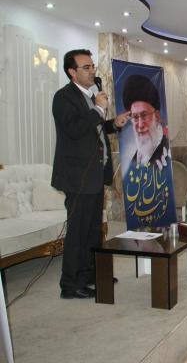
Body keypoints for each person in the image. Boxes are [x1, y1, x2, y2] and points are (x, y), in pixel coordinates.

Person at [52, 49, 129, 299]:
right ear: (72, 72)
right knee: (78, 232)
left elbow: (93, 129)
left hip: (94, 175)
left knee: (93, 230)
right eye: (86, 67)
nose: (92, 70)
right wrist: (98, 109)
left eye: (92, 66)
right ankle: (70, 284)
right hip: (77, 177)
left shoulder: (90, 97)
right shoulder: (63, 97)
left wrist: (113, 123)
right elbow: (74, 129)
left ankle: (89, 274)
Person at [123, 75, 169, 170]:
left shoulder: (166, 155)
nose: (140, 125)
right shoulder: (135, 159)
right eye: (135, 117)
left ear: (157, 117)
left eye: (144, 115)